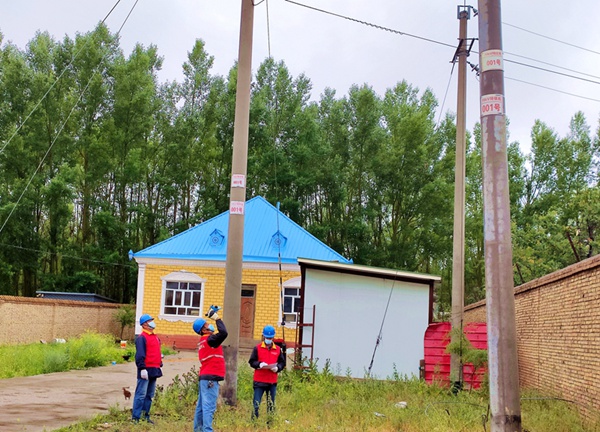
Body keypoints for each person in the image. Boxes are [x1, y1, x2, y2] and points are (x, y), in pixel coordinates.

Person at [192, 307, 228, 432]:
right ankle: (207, 430)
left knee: (201, 407)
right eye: (207, 324)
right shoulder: (210, 339)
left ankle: (198, 429)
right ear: (203, 329)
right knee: (209, 406)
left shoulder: (204, 341)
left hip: (205, 377)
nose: (210, 325)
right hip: (211, 377)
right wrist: (217, 318)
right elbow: (224, 333)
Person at [248, 325, 286, 420]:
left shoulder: (277, 349)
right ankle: (254, 422)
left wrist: (277, 368)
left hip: (272, 381)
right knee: (256, 404)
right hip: (259, 381)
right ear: (263, 336)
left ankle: (270, 423)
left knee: (271, 405)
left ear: (273, 337)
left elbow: (282, 362)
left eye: (270, 338)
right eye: (267, 337)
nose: (268, 339)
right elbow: (252, 362)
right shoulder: (257, 348)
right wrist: (259, 364)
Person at [132, 313, 163, 424]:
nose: (152, 322)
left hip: (154, 369)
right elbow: (140, 355)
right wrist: (142, 368)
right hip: (145, 369)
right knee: (141, 394)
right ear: (144, 324)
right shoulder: (142, 338)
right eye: (150, 321)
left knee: (149, 395)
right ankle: (136, 417)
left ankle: (146, 416)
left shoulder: (155, 337)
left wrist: (160, 362)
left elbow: (156, 351)